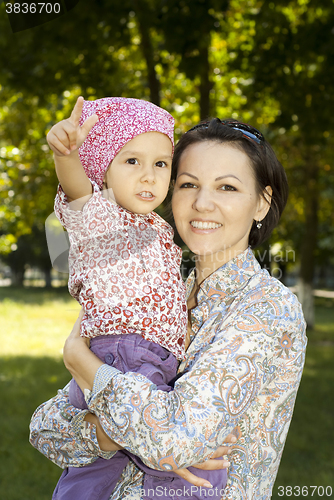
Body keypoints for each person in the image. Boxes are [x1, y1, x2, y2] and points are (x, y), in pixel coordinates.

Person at [30, 117, 307, 500]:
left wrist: (80, 360)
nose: (202, 203)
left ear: (262, 202)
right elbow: (46, 430)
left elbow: (175, 441)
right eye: (188, 184)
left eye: (227, 186)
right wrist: (124, 433)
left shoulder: (268, 308)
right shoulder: (152, 293)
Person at [44, 96, 227, 500]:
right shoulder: (101, 213)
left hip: (145, 355)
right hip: (124, 355)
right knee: (177, 451)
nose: (149, 177)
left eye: (161, 164)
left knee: (97, 468)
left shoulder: (156, 227)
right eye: (131, 161)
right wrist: (67, 153)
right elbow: (76, 188)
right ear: (102, 168)